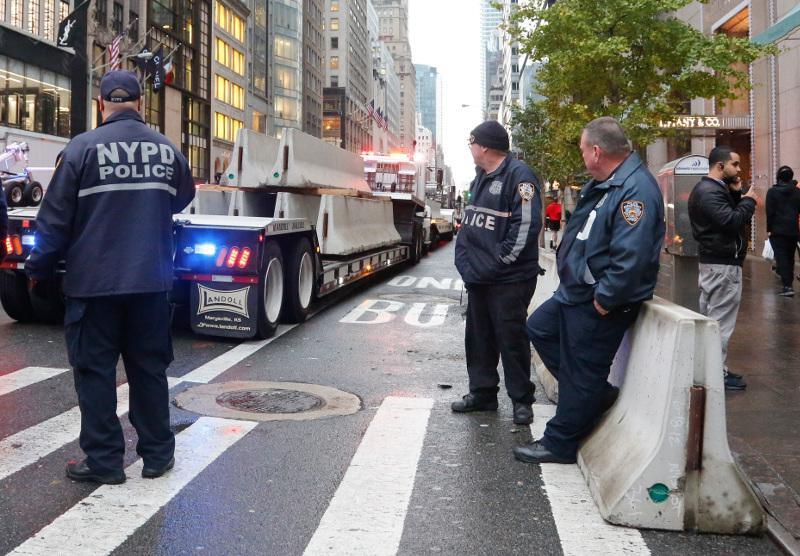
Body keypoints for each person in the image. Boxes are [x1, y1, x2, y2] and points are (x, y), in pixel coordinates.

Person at [25, 70, 195, 484]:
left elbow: (54, 219)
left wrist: (38, 270)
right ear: (140, 103)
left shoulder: (81, 149)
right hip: (151, 282)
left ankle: (104, 462)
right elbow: (183, 196)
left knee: (95, 373)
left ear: (101, 104)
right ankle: (156, 456)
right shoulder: (167, 149)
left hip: (94, 285)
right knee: (149, 370)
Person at [514, 117, 664, 464]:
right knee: (539, 328)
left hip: (600, 299)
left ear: (596, 151)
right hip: (577, 291)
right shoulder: (608, 183)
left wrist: (605, 299)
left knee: (583, 369)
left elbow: (635, 254)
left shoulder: (635, 190)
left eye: (583, 151)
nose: (582, 158)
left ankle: (560, 441)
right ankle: (594, 396)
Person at [452, 120, 543, 425]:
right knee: (478, 338)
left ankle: (521, 400)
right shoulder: (480, 177)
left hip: (509, 278)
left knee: (511, 338)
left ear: (485, 146)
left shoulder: (520, 177)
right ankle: (483, 393)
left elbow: (526, 227)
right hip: (479, 277)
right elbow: (470, 226)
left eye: (472, 143)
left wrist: (499, 262)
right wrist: (464, 262)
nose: (471, 148)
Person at [686, 146, 757, 391]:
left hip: (716, 263)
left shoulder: (712, 190)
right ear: (720, 166)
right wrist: (748, 201)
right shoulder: (709, 191)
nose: (739, 170)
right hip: (721, 266)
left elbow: (727, 218)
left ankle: (715, 370)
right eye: (735, 165)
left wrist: (737, 197)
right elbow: (731, 221)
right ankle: (716, 374)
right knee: (720, 323)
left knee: (712, 320)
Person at [766, 165, 800, 296]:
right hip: (793, 230)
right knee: (790, 257)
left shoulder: (772, 192)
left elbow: (770, 212)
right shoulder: (797, 192)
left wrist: (769, 229)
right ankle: (788, 283)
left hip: (777, 230)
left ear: (778, 177)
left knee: (782, 257)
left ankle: (787, 286)